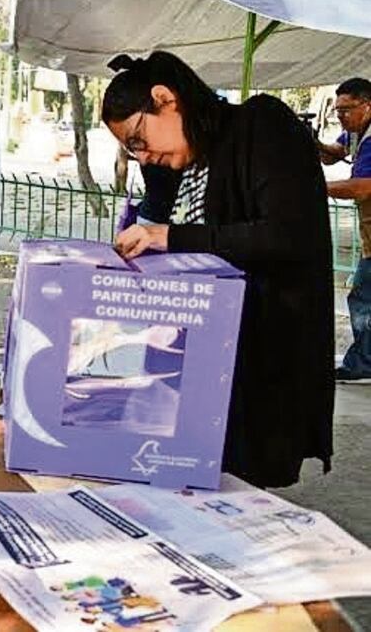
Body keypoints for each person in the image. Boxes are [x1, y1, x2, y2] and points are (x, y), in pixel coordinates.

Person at [103, 51, 334, 489]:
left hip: (259, 363)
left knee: (236, 489)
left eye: (138, 138)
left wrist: (169, 236)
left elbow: (287, 236)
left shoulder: (261, 125)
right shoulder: (184, 162)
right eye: (132, 150)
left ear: (165, 98)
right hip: (197, 368)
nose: (143, 156)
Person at [319, 78, 371, 382]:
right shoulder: (356, 132)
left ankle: (362, 363)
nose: (341, 117)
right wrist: (309, 141)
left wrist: (316, 188)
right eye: (337, 111)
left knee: (362, 298)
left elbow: (362, 187)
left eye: (346, 110)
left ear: (367, 106)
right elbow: (332, 154)